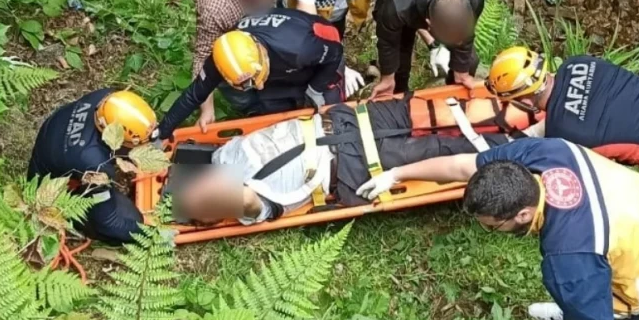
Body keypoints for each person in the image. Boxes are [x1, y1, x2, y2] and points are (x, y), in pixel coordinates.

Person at [355, 139, 639, 320]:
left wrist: (583, 314)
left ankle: (572, 315)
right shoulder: (547, 152)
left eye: (492, 226)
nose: (485, 230)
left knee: (596, 316)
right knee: (631, 258)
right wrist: (397, 174)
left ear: (523, 214)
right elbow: (462, 166)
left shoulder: (567, 259)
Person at [175, 92, 539, 225]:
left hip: (347, 120)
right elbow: (247, 203)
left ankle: (520, 113)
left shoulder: (224, 154)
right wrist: (217, 199)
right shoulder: (250, 205)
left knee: (435, 113)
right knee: (448, 153)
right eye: (205, 201)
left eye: (199, 187)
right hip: (355, 163)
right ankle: (529, 146)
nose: (205, 188)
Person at [484, 48, 639, 207]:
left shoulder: (565, 134)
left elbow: (583, 182)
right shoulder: (577, 63)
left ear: (524, 101)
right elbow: (582, 106)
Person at [157, 8, 367, 139]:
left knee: (326, 110)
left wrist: (316, 89)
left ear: (262, 56)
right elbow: (193, 95)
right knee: (270, 105)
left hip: (320, 58)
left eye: (256, 80)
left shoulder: (299, 48)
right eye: (249, 84)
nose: (257, 86)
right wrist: (162, 132)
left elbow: (335, 51)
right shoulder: (224, 57)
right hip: (280, 69)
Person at [28, 89, 157, 245]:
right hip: (45, 186)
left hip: (53, 139)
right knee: (130, 220)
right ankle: (81, 220)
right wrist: (150, 233)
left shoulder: (107, 99)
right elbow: (109, 223)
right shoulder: (95, 166)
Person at [371, 0, 485, 98]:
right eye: (453, 39)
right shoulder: (396, 9)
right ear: (429, 25)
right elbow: (388, 43)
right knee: (400, 62)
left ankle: (452, 98)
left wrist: (462, 73)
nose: (459, 43)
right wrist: (387, 78)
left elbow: (465, 39)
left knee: (469, 62)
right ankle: (400, 97)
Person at [192, 0, 278, 123]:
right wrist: (207, 110)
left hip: (260, 24)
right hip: (235, 48)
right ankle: (251, 110)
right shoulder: (216, 8)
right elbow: (203, 58)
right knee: (240, 87)